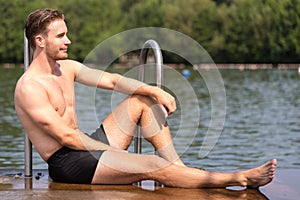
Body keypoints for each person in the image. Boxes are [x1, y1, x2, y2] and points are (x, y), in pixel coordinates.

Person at [15, 8, 277, 188]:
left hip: (88, 146)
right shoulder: (29, 88)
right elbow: (66, 138)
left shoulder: (67, 67)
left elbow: (113, 80)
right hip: (68, 163)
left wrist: (153, 90)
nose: (68, 41)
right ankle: (238, 178)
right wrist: (117, 154)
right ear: (39, 40)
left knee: (142, 101)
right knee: (149, 164)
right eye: (61, 36)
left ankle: (177, 170)